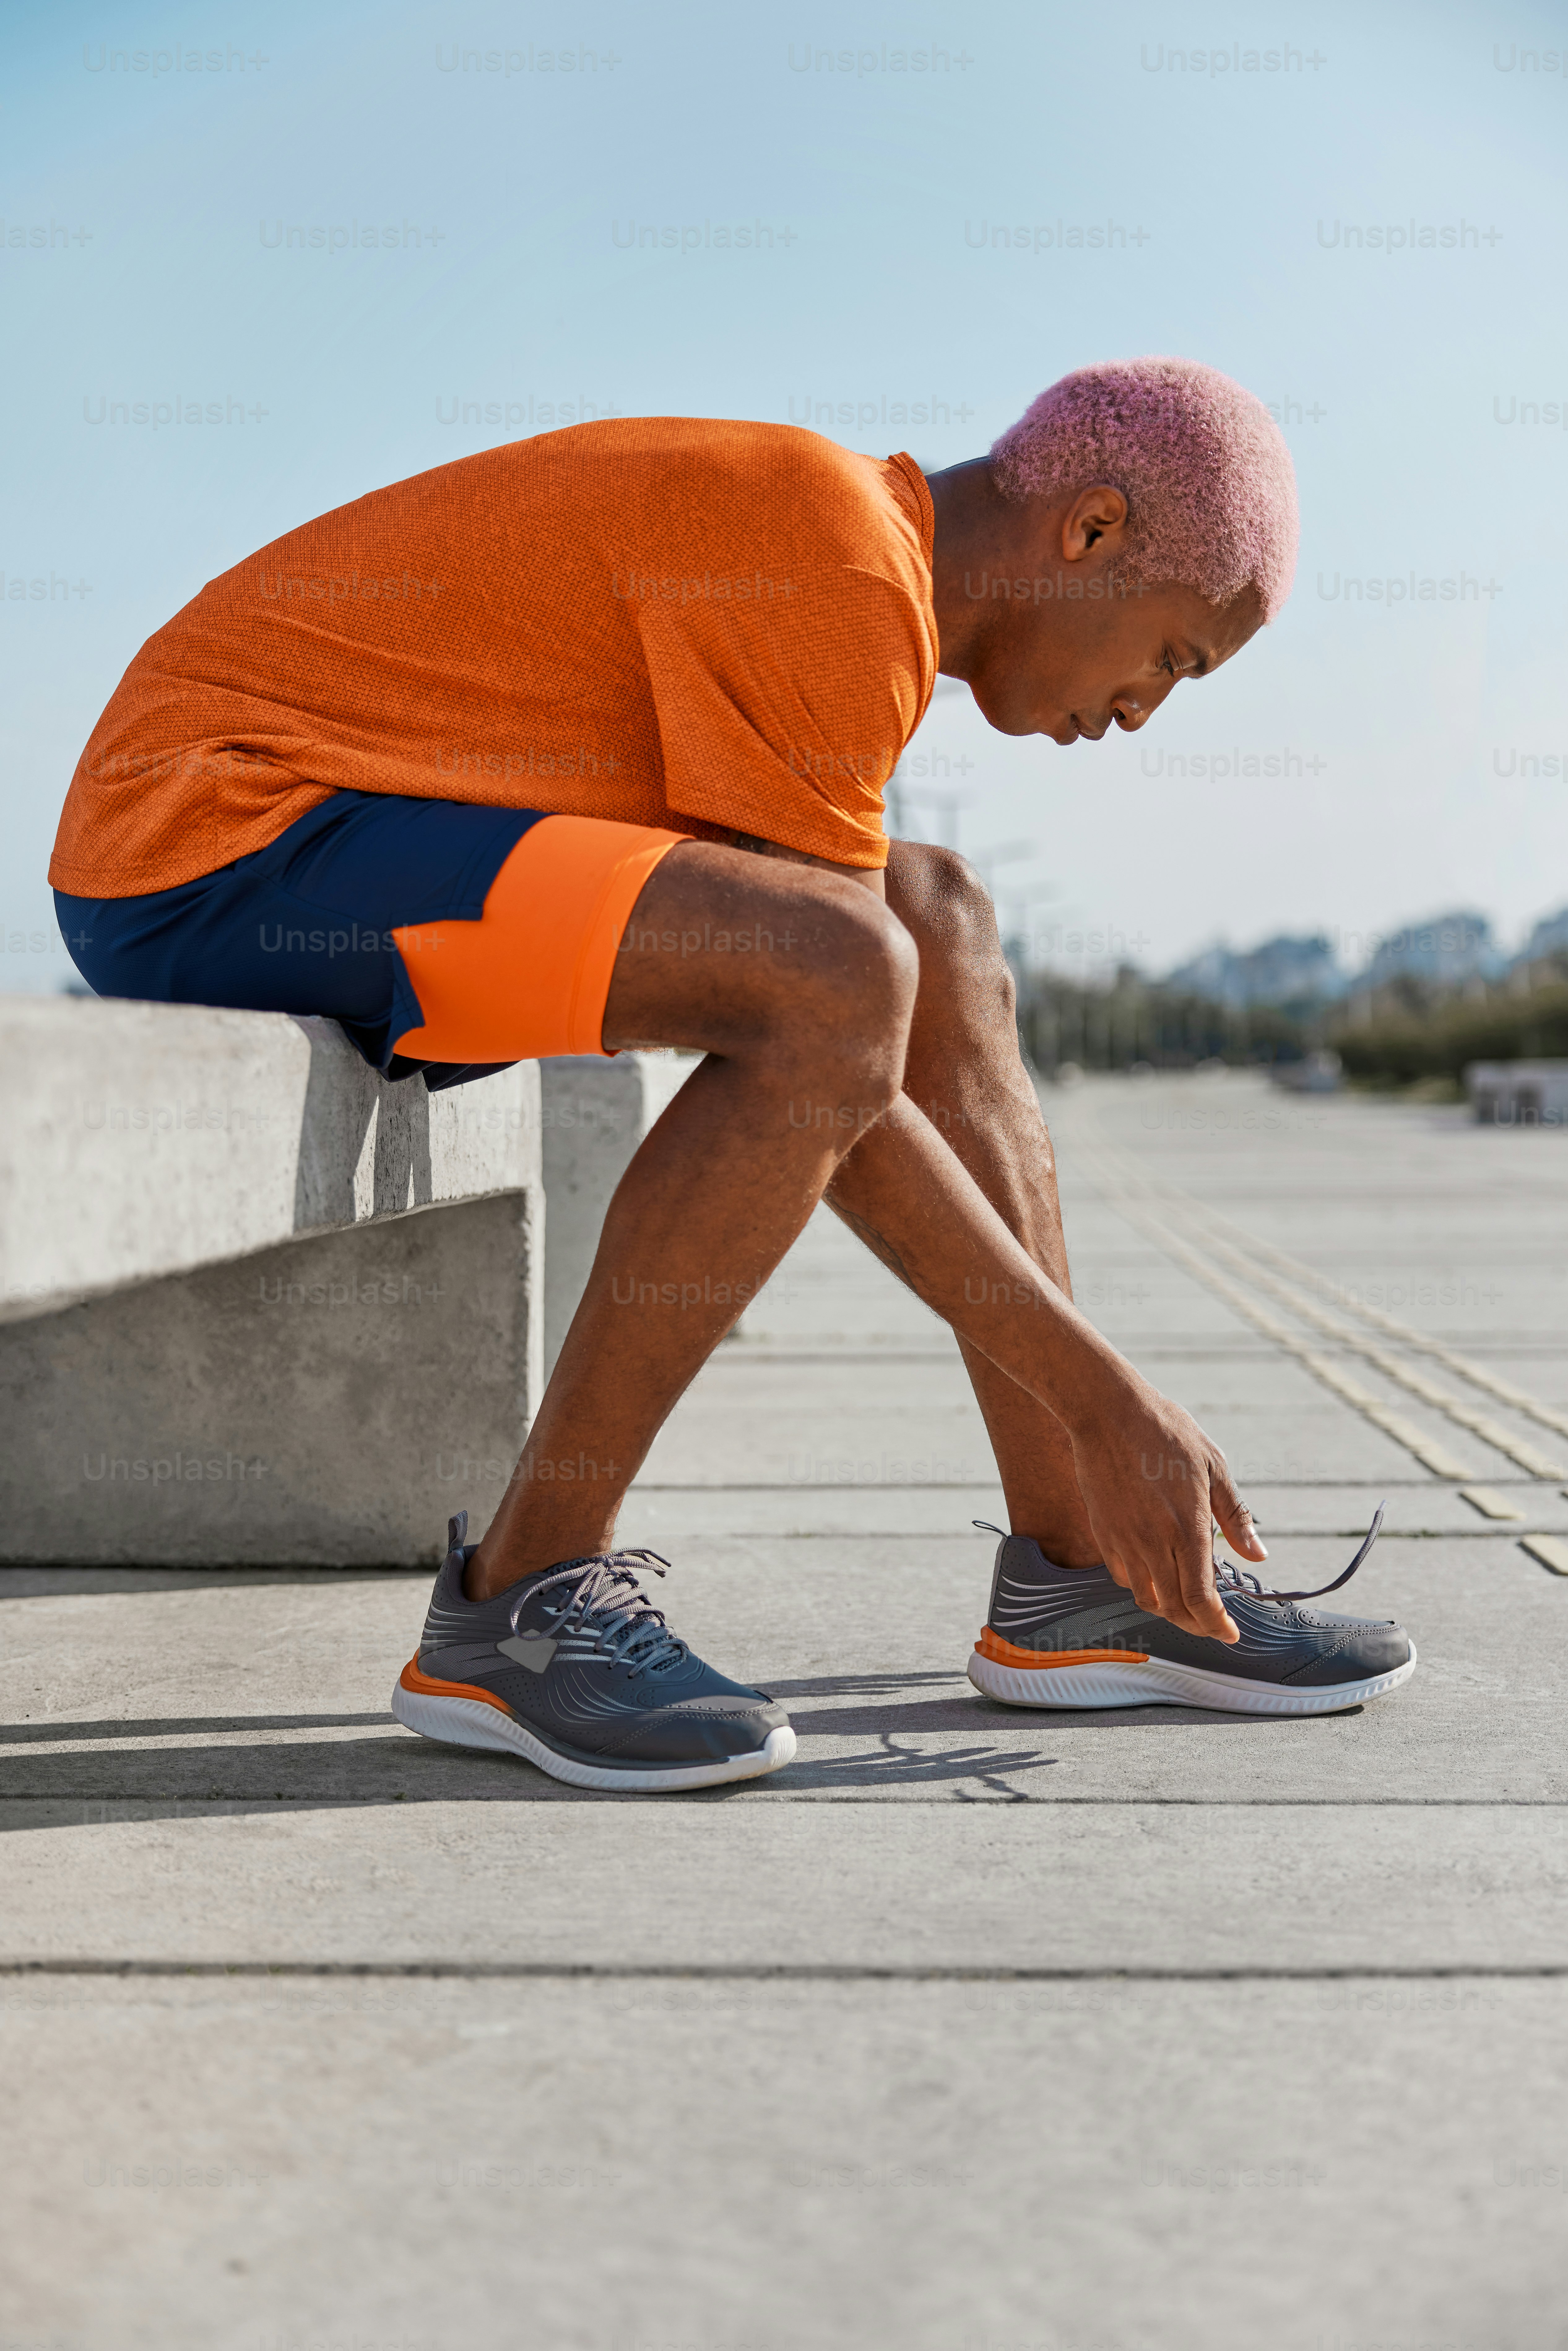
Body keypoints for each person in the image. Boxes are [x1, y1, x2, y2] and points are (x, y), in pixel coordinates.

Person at [50, 357, 1415, 1794]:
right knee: (841, 963)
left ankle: (1084, 1577)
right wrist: (1104, 1391)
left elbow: (863, 1030)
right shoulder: (833, 558)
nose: (1145, 710)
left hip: (358, 828)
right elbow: (832, 1039)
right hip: (208, 837)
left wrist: (1094, 1417)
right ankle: (518, 1608)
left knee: (929, 921)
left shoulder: (854, 568)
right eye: (1173, 658)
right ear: (1089, 534)